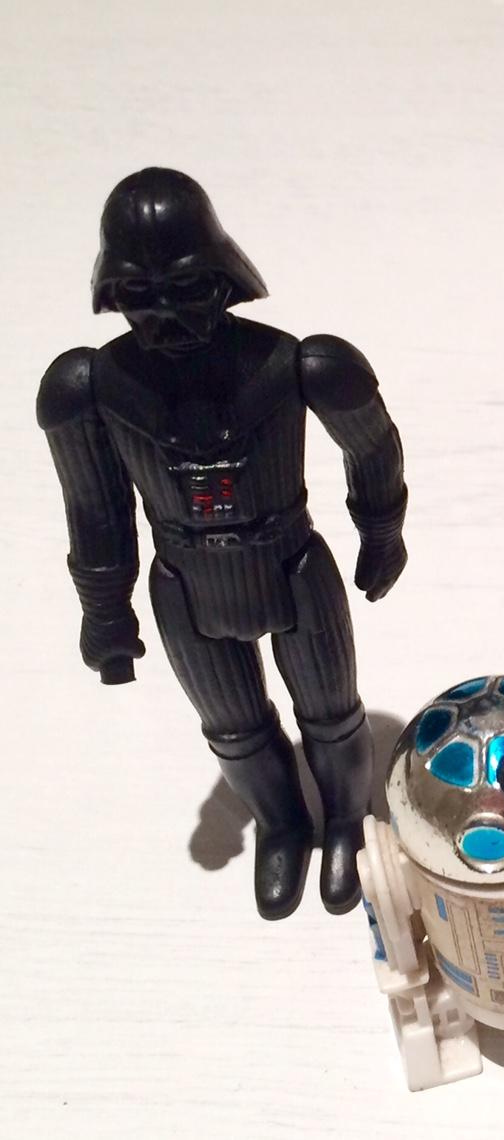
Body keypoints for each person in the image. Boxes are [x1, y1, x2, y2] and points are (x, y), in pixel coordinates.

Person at [38, 168, 408, 919]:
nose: (166, 318)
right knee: (233, 727)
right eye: (141, 295)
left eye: (186, 289)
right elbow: (97, 512)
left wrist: (381, 532)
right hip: (183, 581)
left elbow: (372, 447)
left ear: (223, 278)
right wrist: (105, 611)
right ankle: (282, 825)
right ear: (112, 293)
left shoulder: (297, 364)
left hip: (292, 563)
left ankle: (345, 818)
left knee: (331, 710)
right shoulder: (92, 388)